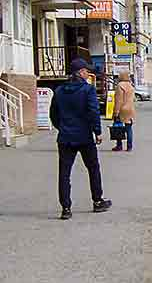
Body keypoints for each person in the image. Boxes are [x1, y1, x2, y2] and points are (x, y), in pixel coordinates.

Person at [49, 58, 112, 220]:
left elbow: (53, 114)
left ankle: (66, 208)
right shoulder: (87, 90)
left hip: (65, 137)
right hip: (84, 136)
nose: (87, 73)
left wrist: (62, 127)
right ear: (80, 72)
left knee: (64, 173)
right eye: (85, 71)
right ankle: (97, 201)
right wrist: (97, 131)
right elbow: (93, 111)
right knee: (93, 168)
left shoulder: (60, 91)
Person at [112, 70, 136, 152]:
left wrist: (116, 112)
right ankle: (129, 147)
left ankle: (119, 145)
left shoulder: (120, 86)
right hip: (130, 109)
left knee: (118, 127)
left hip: (122, 109)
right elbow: (133, 99)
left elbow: (119, 100)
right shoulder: (131, 85)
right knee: (129, 128)